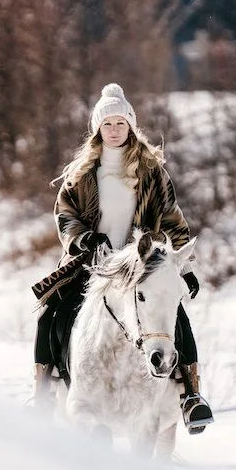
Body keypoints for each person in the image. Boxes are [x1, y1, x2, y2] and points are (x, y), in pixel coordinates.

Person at [31, 83, 214, 434]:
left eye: (120, 123)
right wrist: (82, 239)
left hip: (143, 267)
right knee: (50, 313)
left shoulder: (152, 172)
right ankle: (43, 390)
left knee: (175, 319)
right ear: (97, 129)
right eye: (107, 124)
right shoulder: (81, 174)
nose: (114, 130)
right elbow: (65, 215)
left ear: (131, 126)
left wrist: (184, 267)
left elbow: (173, 219)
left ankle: (191, 396)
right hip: (92, 262)